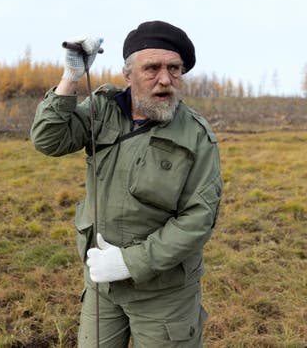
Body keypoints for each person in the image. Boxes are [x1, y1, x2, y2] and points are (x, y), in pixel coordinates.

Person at [31, 21, 222, 347]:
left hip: (164, 295)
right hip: (102, 285)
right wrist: (72, 76)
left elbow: (198, 220)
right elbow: (49, 139)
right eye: (152, 68)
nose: (165, 79)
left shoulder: (196, 136)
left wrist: (128, 263)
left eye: (174, 69)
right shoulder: (103, 111)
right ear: (128, 75)